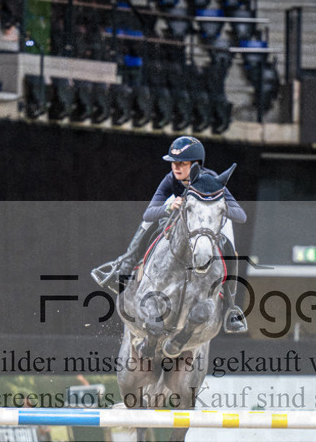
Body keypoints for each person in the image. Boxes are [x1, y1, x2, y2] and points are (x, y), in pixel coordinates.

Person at [91, 136, 247, 333]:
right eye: (174, 163)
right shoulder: (170, 180)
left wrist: (218, 206)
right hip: (181, 221)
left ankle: (230, 306)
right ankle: (124, 267)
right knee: (148, 223)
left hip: (208, 223)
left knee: (229, 246)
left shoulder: (213, 181)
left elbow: (241, 215)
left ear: (196, 164)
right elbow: (148, 213)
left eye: (182, 163)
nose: (176, 168)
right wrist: (168, 207)